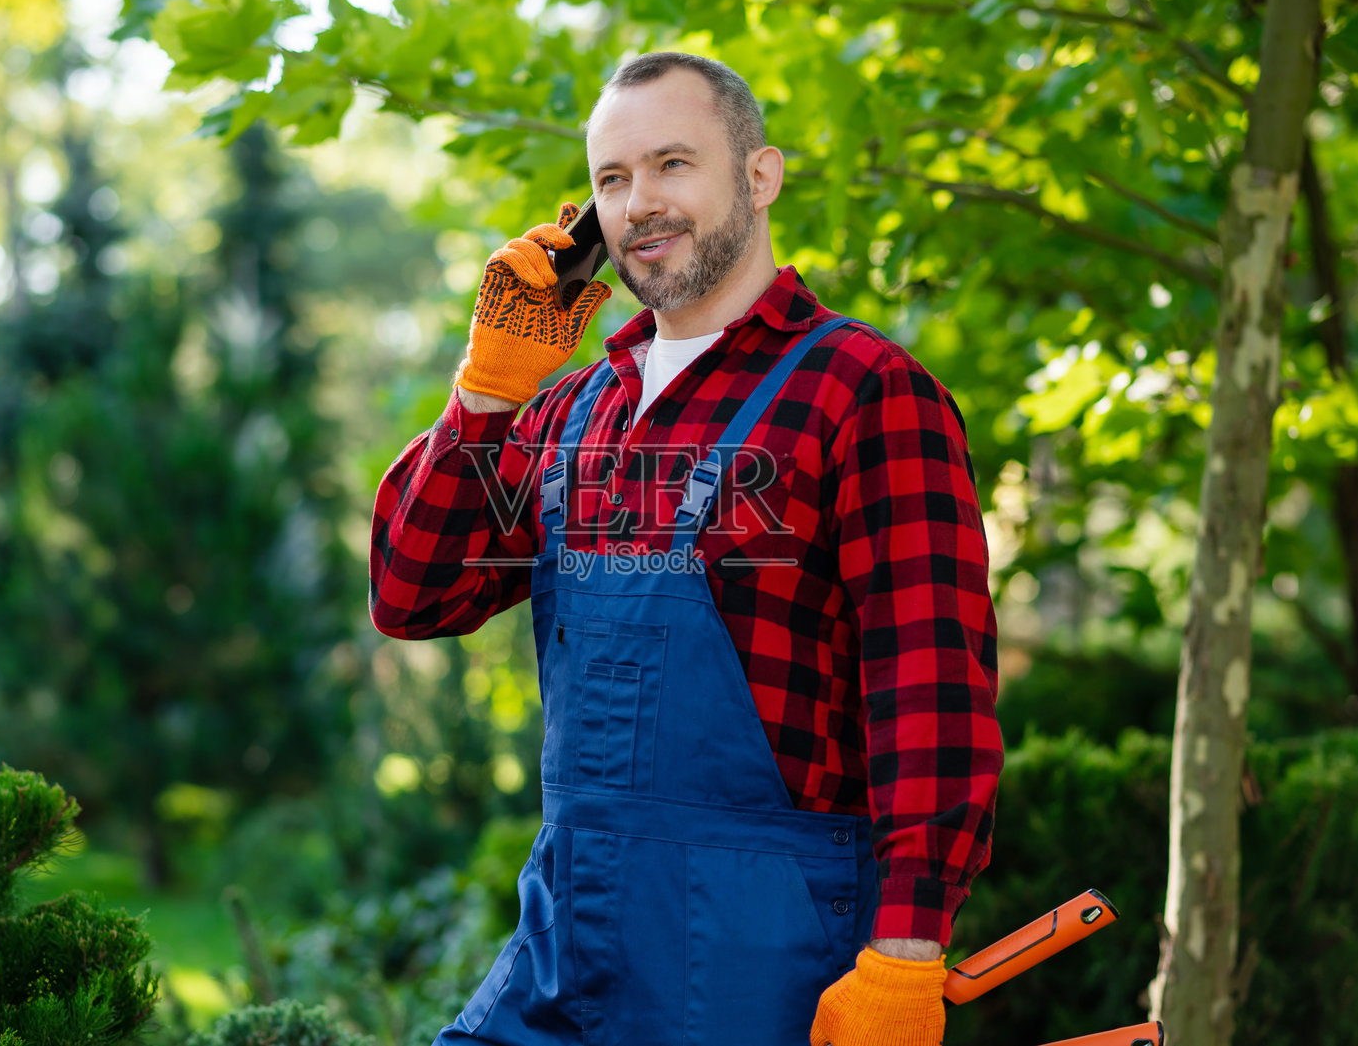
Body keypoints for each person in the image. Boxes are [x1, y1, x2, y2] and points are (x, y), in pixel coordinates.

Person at [370, 52, 1002, 1046]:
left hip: (762, 951)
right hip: (568, 931)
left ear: (759, 175)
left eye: (673, 164)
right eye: (612, 180)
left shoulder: (863, 390)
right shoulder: (575, 411)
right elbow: (414, 594)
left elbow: (930, 686)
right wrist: (486, 394)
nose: (640, 204)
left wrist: (906, 952)